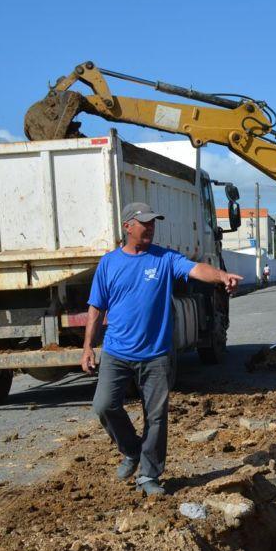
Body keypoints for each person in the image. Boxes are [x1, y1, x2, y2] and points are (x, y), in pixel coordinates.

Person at [82, 202, 242, 496]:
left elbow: (196, 269)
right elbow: (95, 308)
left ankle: (149, 474)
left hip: (156, 354)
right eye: (145, 223)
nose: (151, 227)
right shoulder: (109, 263)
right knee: (104, 405)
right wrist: (87, 347)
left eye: (154, 222)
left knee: (155, 416)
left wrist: (221, 276)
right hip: (117, 352)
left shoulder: (164, 259)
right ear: (128, 226)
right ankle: (132, 450)